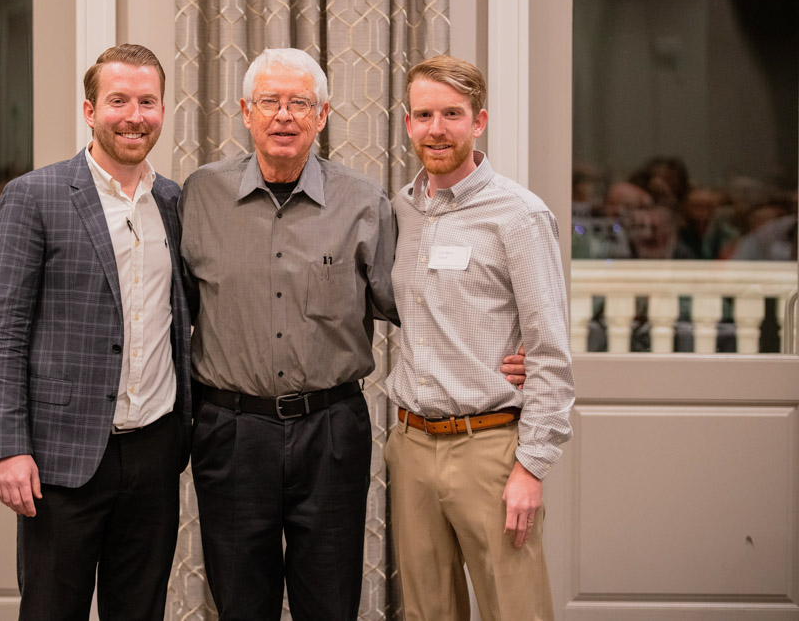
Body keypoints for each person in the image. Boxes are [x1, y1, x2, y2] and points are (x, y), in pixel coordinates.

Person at [179, 48, 527, 621]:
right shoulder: (199, 196)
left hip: (332, 432)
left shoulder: (366, 203)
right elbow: (171, 310)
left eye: (301, 103)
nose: (284, 115)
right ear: (245, 111)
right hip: (232, 433)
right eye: (270, 101)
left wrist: (509, 353)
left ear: (323, 115)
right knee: (240, 602)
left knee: (332, 601)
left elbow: (419, 305)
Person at [0, 44, 191, 621]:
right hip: (61, 457)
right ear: (89, 109)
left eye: (147, 101)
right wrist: (10, 448)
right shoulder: (35, 196)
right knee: (52, 609)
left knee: (140, 609)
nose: (134, 115)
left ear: (162, 110)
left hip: (154, 446)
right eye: (118, 100)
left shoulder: (173, 200)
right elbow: (3, 332)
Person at [385, 55, 574, 621]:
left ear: (479, 120)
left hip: (491, 451)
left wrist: (531, 468)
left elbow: (549, 353)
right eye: (423, 114)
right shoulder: (400, 209)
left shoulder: (518, 215)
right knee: (426, 614)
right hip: (413, 446)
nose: (436, 128)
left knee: (513, 611)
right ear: (408, 121)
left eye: (452, 114)